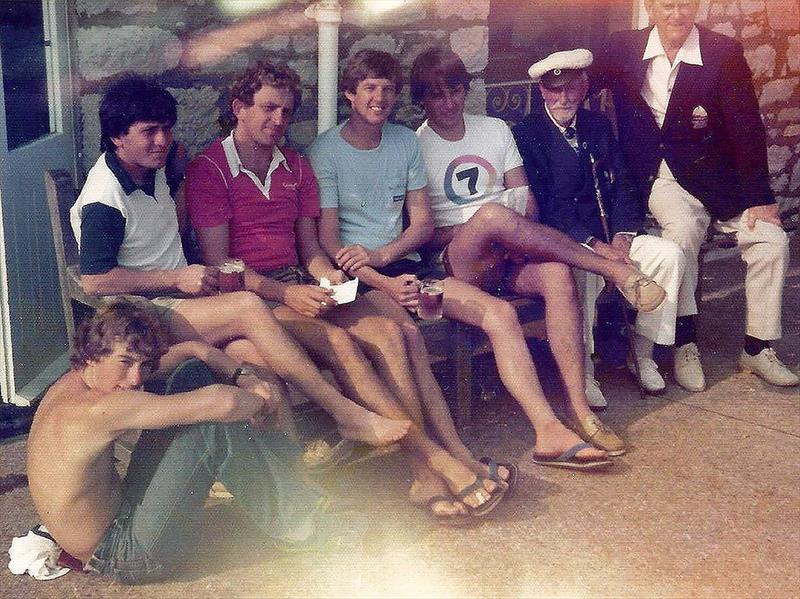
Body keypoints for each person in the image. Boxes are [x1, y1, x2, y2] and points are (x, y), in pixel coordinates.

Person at [185, 61, 508, 523]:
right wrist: (285, 292)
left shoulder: (294, 166)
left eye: (285, 111)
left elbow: (311, 249)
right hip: (252, 298)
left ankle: (434, 464)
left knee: (394, 335)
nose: (278, 120)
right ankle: (429, 465)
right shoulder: (210, 169)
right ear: (239, 108)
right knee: (341, 343)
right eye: (268, 109)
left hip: (298, 283)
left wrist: (327, 277)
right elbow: (223, 266)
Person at [311, 48, 663, 469]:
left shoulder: (435, 137)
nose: (448, 102)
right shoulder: (383, 145)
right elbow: (369, 239)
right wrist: (483, 228)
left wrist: (505, 232)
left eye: (455, 90)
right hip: (438, 264)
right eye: (436, 95)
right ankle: (612, 270)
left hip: (495, 249)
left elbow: (517, 204)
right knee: (493, 214)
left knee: (547, 278)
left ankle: (567, 419)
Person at [69, 73, 412, 449]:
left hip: (190, 304)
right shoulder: (104, 197)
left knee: (257, 367)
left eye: (166, 130)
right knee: (249, 306)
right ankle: (346, 414)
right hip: (146, 314)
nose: (162, 141)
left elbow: (175, 198)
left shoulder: (157, 166)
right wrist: (177, 277)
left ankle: (293, 470)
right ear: (118, 136)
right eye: (149, 132)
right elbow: (94, 281)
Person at [26, 301, 329, 584]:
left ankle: (289, 486)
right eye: (125, 362)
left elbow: (193, 350)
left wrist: (242, 376)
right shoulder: (98, 410)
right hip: (124, 554)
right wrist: (261, 399)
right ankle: (298, 527)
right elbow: (224, 405)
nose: (135, 379)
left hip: (119, 514)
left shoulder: (77, 379)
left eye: (143, 365)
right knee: (210, 428)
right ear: (93, 354)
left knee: (190, 374)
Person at [591, 0, 797, 387]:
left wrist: (760, 197)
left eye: (686, 4)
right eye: (668, 5)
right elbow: (579, 82)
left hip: (719, 180)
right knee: (682, 231)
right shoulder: (623, 47)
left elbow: (746, 126)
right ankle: (685, 342)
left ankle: (757, 348)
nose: (677, 14)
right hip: (660, 177)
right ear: (650, 8)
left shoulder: (722, 52)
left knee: (771, 240)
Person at [513, 49, 690, 395]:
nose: (563, 98)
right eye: (554, 90)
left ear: (583, 87)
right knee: (582, 272)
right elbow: (545, 206)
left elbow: (622, 183)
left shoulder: (597, 125)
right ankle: (584, 369)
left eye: (570, 89)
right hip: (569, 240)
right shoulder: (527, 134)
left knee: (669, 255)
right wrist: (597, 246)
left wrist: (623, 238)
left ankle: (642, 354)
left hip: (612, 237)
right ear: (542, 92)